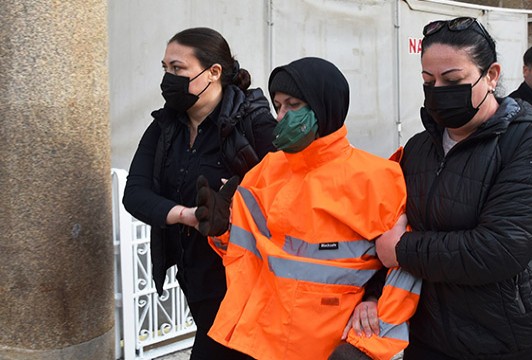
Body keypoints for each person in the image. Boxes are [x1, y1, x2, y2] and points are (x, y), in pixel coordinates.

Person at [374, 17, 532, 359]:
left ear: (491, 76)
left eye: (454, 80)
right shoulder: (418, 149)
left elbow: (499, 249)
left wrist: (402, 250)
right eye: (428, 81)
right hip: (433, 339)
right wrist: (372, 295)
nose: (439, 92)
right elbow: (384, 226)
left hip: (526, 341)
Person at [195, 57, 421, 360]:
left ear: (324, 106)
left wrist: (367, 346)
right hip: (264, 342)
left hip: (332, 346)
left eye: (293, 105)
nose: (281, 116)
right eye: (278, 106)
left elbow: (404, 268)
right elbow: (247, 255)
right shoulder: (266, 172)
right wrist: (222, 231)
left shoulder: (375, 178)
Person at [122, 27, 277, 360]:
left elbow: (290, 196)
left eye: (178, 69)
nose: (168, 78)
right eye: (165, 69)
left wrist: (238, 203)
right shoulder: (164, 127)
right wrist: (186, 215)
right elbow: (134, 193)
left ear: (214, 73)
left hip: (248, 285)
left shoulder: (255, 124)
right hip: (194, 279)